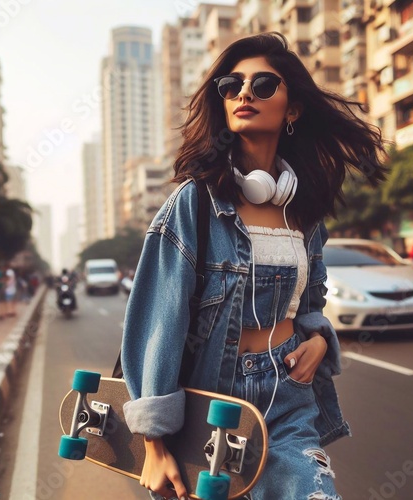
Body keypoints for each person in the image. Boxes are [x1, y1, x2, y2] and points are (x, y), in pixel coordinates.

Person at [120, 32, 387, 500]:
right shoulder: (195, 203)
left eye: (264, 84)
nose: (244, 92)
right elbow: (157, 323)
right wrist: (154, 441)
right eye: (232, 84)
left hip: (288, 397)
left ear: (293, 108)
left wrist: (320, 338)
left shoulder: (303, 211)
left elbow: (311, 299)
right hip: (213, 403)